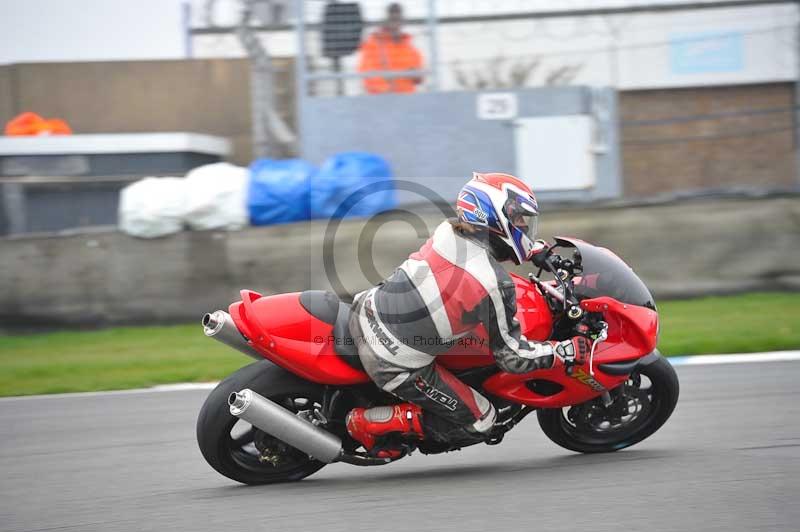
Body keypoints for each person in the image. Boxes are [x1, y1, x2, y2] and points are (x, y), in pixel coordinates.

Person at [346, 172, 591, 457]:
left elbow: (488, 248)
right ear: (493, 217)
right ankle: (372, 423)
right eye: (518, 217)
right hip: (391, 359)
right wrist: (564, 351)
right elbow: (514, 358)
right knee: (482, 420)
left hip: (366, 308)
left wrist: (534, 250)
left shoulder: (447, 232)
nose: (524, 225)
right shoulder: (494, 284)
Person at [357, 3, 423, 94]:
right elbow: (366, 72)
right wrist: (385, 90)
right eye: (392, 19)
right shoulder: (373, 44)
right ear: (386, 20)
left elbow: (419, 78)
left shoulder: (410, 48)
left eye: (398, 19)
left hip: (408, 101)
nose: (395, 23)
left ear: (402, 21)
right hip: (381, 100)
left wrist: (416, 74)